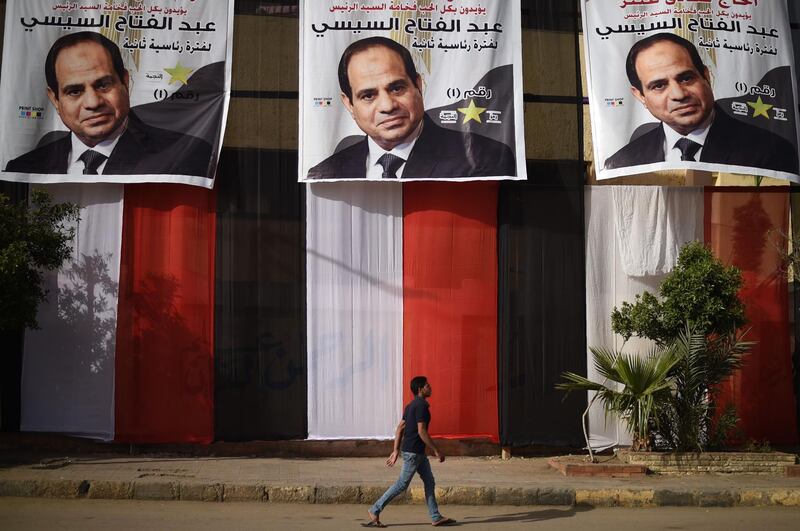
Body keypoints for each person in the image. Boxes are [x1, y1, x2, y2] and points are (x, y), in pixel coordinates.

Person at [5, 32, 212, 177]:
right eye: (74, 91)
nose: (93, 103)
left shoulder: (185, 155)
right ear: (55, 100)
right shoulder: (22, 167)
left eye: (103, 85)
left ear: (125, 81)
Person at [307, 36, 516, 180]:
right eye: (368, 95)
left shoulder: (485, 158)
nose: (388, 106)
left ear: (418, 85)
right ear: (349, 104)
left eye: (397, 88)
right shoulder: (325, 173)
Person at [604, 32, 798, 174]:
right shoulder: (621, 164)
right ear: (640, 96)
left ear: (706, 76)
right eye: (659, 85)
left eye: (686, 78)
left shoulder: (770, 151)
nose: (679, 94)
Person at [364, 376, 455, 528]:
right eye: (427, 385)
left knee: (429, 481)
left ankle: (435, 516)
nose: (430, 387)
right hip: (413, 453)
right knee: (401, 485)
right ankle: (375, 509)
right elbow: (422, 431)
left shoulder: (411, 405)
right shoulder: (421, 406)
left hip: (417, 453)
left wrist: (395, 450)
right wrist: (437, 451)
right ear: (420, 389)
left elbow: (400, 427)